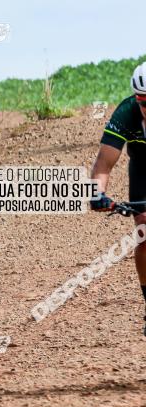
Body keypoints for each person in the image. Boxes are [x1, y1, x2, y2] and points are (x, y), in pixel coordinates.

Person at [90, 62, 146, 335]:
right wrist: (97, 194)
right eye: (144, 102)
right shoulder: (126, 113)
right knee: (145, 232)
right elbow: (103, 164)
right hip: (143, 170)